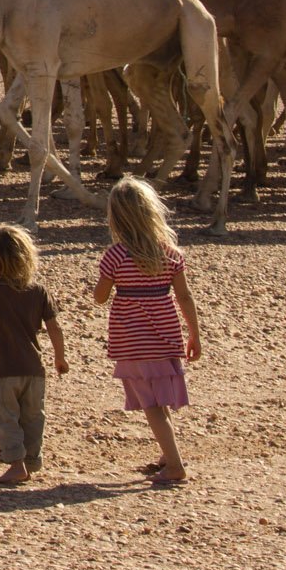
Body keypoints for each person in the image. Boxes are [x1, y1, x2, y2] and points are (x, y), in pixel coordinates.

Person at [91, 176, 202, 486]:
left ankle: (175, 465)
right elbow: (184, 297)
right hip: (166, 335)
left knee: (150, 404)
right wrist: (195, 333)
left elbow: (100, 297)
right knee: (159, 398)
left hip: (133, 339)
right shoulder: (170, 254)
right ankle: (169, 456)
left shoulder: (116, 255)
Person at [0, 225, 68, 485]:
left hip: (4, 370)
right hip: (35, 369)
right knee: (33, 415)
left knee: (5, 417)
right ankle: (31, 460)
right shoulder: (38, 291)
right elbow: (54, 327)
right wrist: (60, 357)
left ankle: (16, 464)